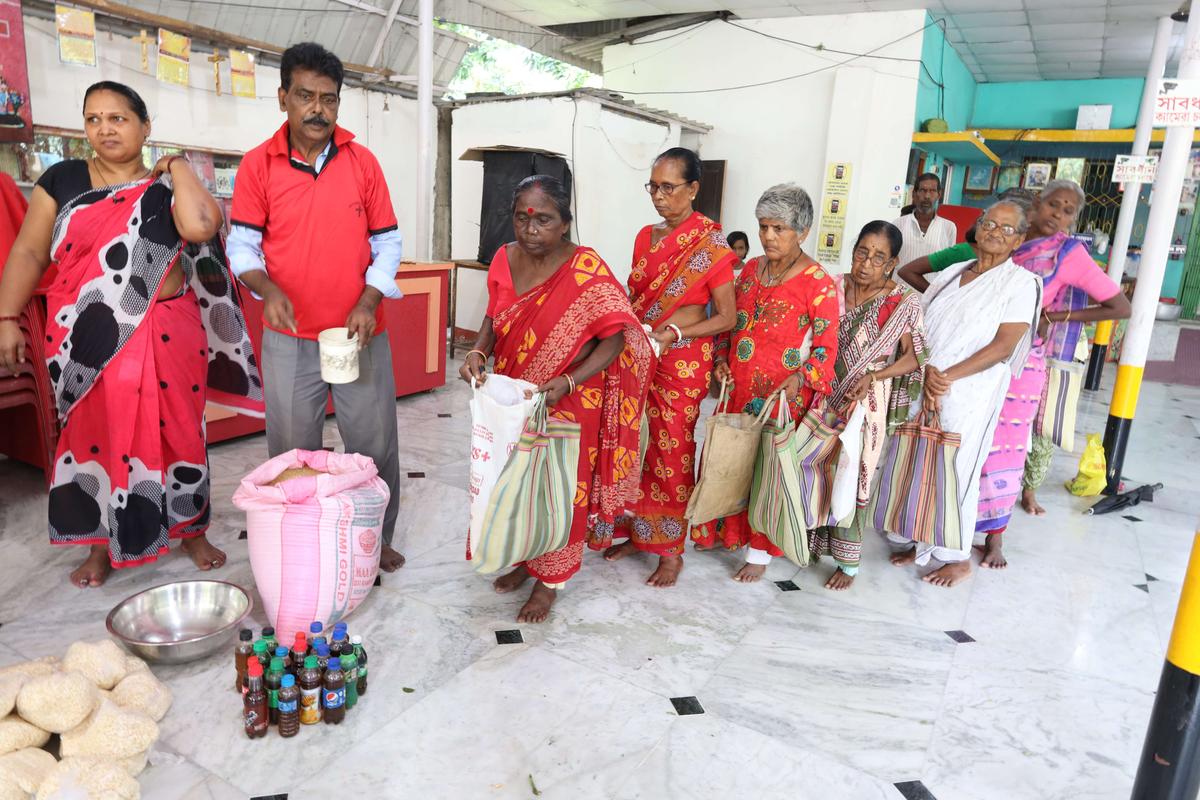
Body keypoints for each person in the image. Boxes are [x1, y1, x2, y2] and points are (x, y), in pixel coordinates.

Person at [0, 81, 262, 586]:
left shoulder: (167, 186)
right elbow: (30, 252)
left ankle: (191, 530)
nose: (104, 129)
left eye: (117, 118)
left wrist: (177, 166)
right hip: (89, 337)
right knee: (94, 436)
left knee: (181, 431)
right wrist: (6, 316)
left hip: (168, 330)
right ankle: (100, 544)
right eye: (93, 119)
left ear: (145, 127)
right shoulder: (62, 180)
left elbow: (202, 226)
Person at [227, 42, 406, 572]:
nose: (318, 109)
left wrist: (369, 299)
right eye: (305, 96)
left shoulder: (362, 162)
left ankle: (376, 536)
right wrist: (267, 289)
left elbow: (388, 243)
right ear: (283, 97)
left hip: (359, 334)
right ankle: (300, 541)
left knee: (373, 443)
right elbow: (242, 247)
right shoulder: (258, 165)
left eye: (329, 99)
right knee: (291, 449)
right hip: (290, 337)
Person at [898, 181, 1130, 568]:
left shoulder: (1063, 256)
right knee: (942, 446)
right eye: (1053, 204)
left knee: (997, 453)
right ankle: (927, 532)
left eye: (1068, 211)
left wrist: (1054, 315)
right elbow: (931, 284)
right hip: (954, 364)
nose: (1057, 214)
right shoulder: (977, 254)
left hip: (1015, 369)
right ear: (1038, 203)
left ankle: (992, 537)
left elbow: (1120, 306)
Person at [459, 175, 651, 622]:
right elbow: (493, 318)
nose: (531, 229)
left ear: (565, 223)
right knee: (515, 480)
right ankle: (525, 558)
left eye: (543, 219)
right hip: (515, 398)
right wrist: (476, 352)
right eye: (522, 218)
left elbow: (615, 340)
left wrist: (568, 381)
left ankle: (550, 582)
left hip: (568, 398)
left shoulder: (586, 268)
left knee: (558, 489)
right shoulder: (504, 258)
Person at [888, 200, 1041, 588]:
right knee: (917, 460)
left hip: (969, 391)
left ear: (1019, 239)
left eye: (1006, 228)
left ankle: (955, 558)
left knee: (956, 470)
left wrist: (946, 377)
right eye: (989, 223)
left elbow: (1004, 345)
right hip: (925, 380)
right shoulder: (953, 271)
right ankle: (919, 542)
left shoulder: (1021, 283)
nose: (994, 232)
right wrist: (925, 370)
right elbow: (924, 322)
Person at [603, 147, 738, 587]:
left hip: (683, 361)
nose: (659, 196)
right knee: (632, 442)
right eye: (653, 187)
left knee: (671, 449)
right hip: (640, 352)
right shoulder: (646, 236)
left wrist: (677, 334)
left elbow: (727, 316)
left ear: (693, 188)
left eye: (668, 187)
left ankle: (670, 550)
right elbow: (637, 295)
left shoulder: (711, 245)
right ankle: (635, 531)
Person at [692, 183, 839, 582]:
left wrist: (800, 377)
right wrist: (721, 358)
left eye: (779, 228)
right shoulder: (750, 270)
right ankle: (724, 530)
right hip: (738, 388)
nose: (768, 236)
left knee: (765, 472)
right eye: (763, 226)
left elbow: (826, 351)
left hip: (780, 397)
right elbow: (729, 323)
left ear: (803, 231)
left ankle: (759, 551)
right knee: (729, 460)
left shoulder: (818, 283)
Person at [808, 221, 928, 591]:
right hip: (824, 391)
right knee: (817, 463)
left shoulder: (903, 303)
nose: (866, 263)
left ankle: (847, 562)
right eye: (862, 252)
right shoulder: (832, 287)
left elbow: (915, 356)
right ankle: (810, 542)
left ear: (891, 264)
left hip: (867, 401)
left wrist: (876, 376)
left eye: (878, 258)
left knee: (854, 473)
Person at [892, 172, 956, 267]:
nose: (927, 196)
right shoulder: (898, 224)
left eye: (932, 191)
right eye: (922, 190)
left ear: (939, 195)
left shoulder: (949, 227)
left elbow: (949, 264)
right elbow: (890, 260)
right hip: (899, 277)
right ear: (914, 194)